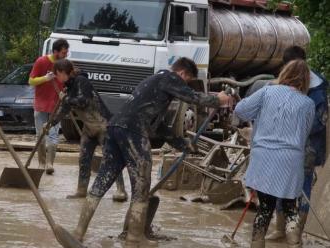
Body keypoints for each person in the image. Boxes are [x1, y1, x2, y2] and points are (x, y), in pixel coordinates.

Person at [72, 57, 231, 246]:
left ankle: (78, 233)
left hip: (114, 127)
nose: (184, 84)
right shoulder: (170, 78)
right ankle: (134, 238)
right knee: (142, 184)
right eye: (186, 81)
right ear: (182, 73)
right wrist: (217, 100)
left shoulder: (154, 82)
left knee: (103, 180)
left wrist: (181, 143)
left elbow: (158, 125)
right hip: (133, 131)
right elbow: (193, 97)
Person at [234, 59, 315, 248]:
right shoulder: (308, 103)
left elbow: (240, 110)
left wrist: (260, 116)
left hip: (264, 157)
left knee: (265, 207)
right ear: (305, 80)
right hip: (291, 159)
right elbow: (304, 133)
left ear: (285, 73)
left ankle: (257, 244)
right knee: (290, 207)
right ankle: (295, 244)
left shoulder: (267, 92)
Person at [266, 46, 328, 242]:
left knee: (302, 188)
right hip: (284, 144)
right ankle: (280, 229)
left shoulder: (317, 90)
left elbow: (320, 122)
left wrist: (295, 128)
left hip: (307, 146)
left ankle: (296, 233)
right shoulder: (286, 83)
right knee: (280, 185)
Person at [51, 59, 128, 201]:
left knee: (111, 158)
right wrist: (51, 123)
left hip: (103, 125)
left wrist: (67, 99)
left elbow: (83, 101)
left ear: (62, 72)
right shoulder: (68, 88)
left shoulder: (82, 81)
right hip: (88, 128)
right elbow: (64, 109)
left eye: (57, 74)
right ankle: (81, 191)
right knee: (84, 159)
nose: (56, 78)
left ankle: (121, 190)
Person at [29, 39, 69, 175]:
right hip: (40, 105)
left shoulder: (65, 65)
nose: (66, 55)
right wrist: (45, 78)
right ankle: (41, 163)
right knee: (40, 135)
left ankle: (50, 164)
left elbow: (68, 83)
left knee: (53, 137)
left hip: (56, 106)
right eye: (63, 52)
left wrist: (66, 93)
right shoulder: (41, 61)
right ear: (56, 52)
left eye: (66, 52)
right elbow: (31, 81)